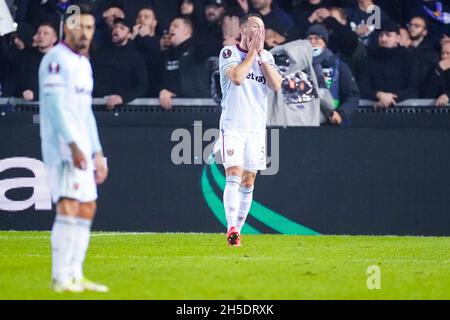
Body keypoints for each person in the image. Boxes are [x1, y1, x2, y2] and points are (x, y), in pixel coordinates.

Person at [39, 3, 109, 293]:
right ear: (68, 26)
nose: (86, 32)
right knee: (68, 205)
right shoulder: (56, 59)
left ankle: (75, 274)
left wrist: (97, 151)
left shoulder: (83, 63)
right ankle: (60, 277)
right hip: (63, 146)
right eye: (81, 26)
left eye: (91, 27)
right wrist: (74, 146)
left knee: (87, 207)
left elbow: (85, 112)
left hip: (82, 146)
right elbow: (55, 108)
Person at [218, 13, 282, 246]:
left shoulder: (267, 57)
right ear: (244, 30)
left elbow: (276, 85)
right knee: (233, 173)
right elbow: (236, 77)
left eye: (262, 27)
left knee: (249, 181)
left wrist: (262, 57)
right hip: (233, 126)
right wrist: (253, 53)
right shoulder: (229, 52)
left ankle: (238, 232)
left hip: (256, 129)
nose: (259, 31)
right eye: (255, 26)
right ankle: (231, 226)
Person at [306, 24, 360, 126]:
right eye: (309, 39)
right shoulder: (299, 66)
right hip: (307, 122)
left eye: (317, 38)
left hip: (332, 122)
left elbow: (353, 96)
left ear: (325, 42)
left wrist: (341, 113)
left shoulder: (338, 66)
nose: (312, 42)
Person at [358, 23, 420, 108]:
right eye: (381, 35)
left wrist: (390, 99)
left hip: (404, 111)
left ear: (398, 38)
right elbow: (362, 87)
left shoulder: (410, 59)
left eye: (388, 35)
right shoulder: (369, 59)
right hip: (373, 111)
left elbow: (414, 88)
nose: (383, 39)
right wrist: (379, 95)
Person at [92, 17, 148, 109]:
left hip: (122, 109)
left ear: (129, 34)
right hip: (97, 105)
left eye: (122, 28)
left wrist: (123, 98)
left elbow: (143, 86)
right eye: (115, 27)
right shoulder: (101, 54)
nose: (116, 30)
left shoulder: (135, 57)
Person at [159, 16, 210, 109]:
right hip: (174, 110)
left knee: (197, 124)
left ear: (186, 31)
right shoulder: (167, 54)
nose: (171, 28)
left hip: (198, 109)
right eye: (170, 26)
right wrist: (162, 90)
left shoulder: (199, 49)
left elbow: (196, 83)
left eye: (176, 26)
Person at [5, 22, 58, 101]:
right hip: (25, 105)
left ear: (54, 38)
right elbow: (15, 80)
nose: (41, 36)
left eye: (45, 33)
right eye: (39, 33)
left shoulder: (59, 59)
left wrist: (36, 95)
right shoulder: (25, 57)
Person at [421, 42, 450, 106]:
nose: (444, 56)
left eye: (448, 53)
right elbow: (426, 94)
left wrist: (447, 95)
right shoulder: (435, 69)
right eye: (442, 53)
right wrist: (439, 70)